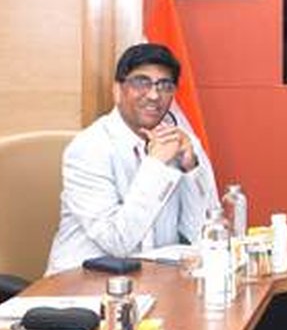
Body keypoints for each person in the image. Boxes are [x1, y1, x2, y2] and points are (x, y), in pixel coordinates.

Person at [47, 43, 219, 274]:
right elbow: (116, 241)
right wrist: (156, 166)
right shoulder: (89, 148)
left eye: (165, 85)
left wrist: (190, 167)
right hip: (82, 282)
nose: (154, 95)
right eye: (141, 82)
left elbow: (205, 234)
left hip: (155, 280)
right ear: (117, 90)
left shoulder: (178, 140)